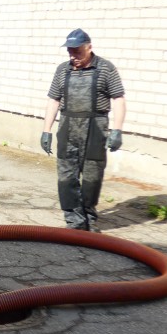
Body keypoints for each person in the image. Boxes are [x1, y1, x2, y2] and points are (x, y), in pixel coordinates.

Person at [40, 29, 126, 232]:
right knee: (66, 177)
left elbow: (118, 98)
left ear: (89, 47)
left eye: (77, 51)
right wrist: (46, 130)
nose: (73, 56)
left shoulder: (105, 69)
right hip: (68, 128)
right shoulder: (62, 70)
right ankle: (74, 220)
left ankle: (89, 216)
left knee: (92, 177)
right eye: (70, 52)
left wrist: (117, 130)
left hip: (95, 129)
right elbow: (53, 100)